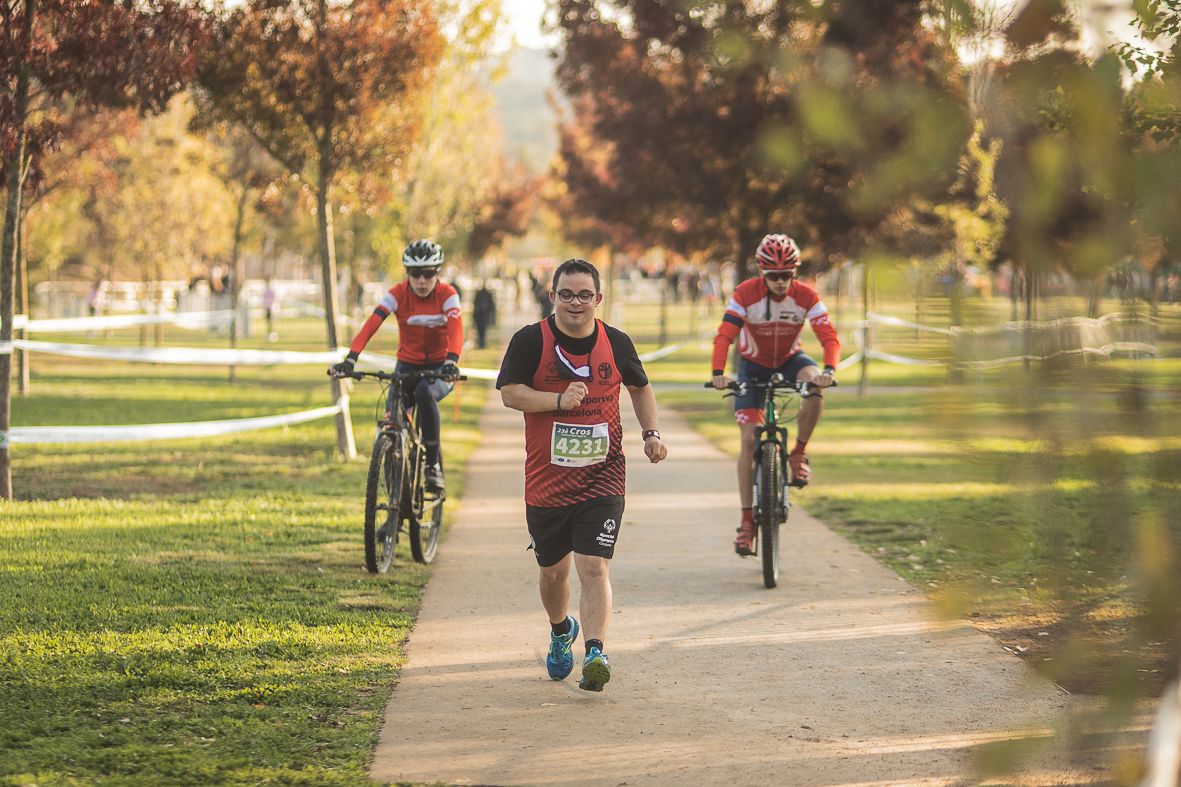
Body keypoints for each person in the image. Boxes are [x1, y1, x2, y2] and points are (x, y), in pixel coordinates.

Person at [497, 258, 668, 693]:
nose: (576, 303)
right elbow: (510, 394)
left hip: (603, 477)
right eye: (567, 294)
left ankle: (595, 651)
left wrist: (651, 434)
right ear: (552, 296)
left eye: (585, 295)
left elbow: (640, 386)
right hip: (547, 481)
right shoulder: (530, 340)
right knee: (554, 573)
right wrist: (557, 400)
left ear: (599, 298)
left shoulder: (616, 342)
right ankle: (560, 632)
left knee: (595, 567)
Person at [710, 234, 840, 556]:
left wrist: (829, 371)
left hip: (790, 359)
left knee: (813, 386)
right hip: (752, 366)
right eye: (773, 276)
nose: (781, 282)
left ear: (794, 272)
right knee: (748, 440)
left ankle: (798, 454)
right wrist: (717, 374)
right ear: (762, 272)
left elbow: (829, 338)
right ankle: (746, 523)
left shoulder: (807, 295)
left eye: (787, 275)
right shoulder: (745, 294)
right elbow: (725, 335)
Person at [330, 239, 463, 491]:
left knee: (425, 393)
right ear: (407, 274)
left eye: (428, 274)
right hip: (406, 366)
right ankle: (394, 502)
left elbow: (456, 329)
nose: (421, 281)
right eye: (415, 274)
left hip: (440, 368)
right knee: (392, 419)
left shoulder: (448, 295)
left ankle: (432, 466)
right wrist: (351, 358)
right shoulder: (397, 293)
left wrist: (451, 361)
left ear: (437, 273)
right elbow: (372, 323)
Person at [472, 281, 497, 349]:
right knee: (480, 330)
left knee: (483, 330)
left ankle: (482, 343)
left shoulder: (485, 294)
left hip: (484, 315)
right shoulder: (481, 294)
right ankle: (481, 343)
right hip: (480, 315)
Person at [262, 278, 279, 342]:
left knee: (272, 322)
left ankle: (273, 334)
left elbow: (274, 299)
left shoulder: (272, 290)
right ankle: (269, 333)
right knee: (268, 322)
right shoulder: (265, 290)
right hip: (267, 308)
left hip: (272, 309)